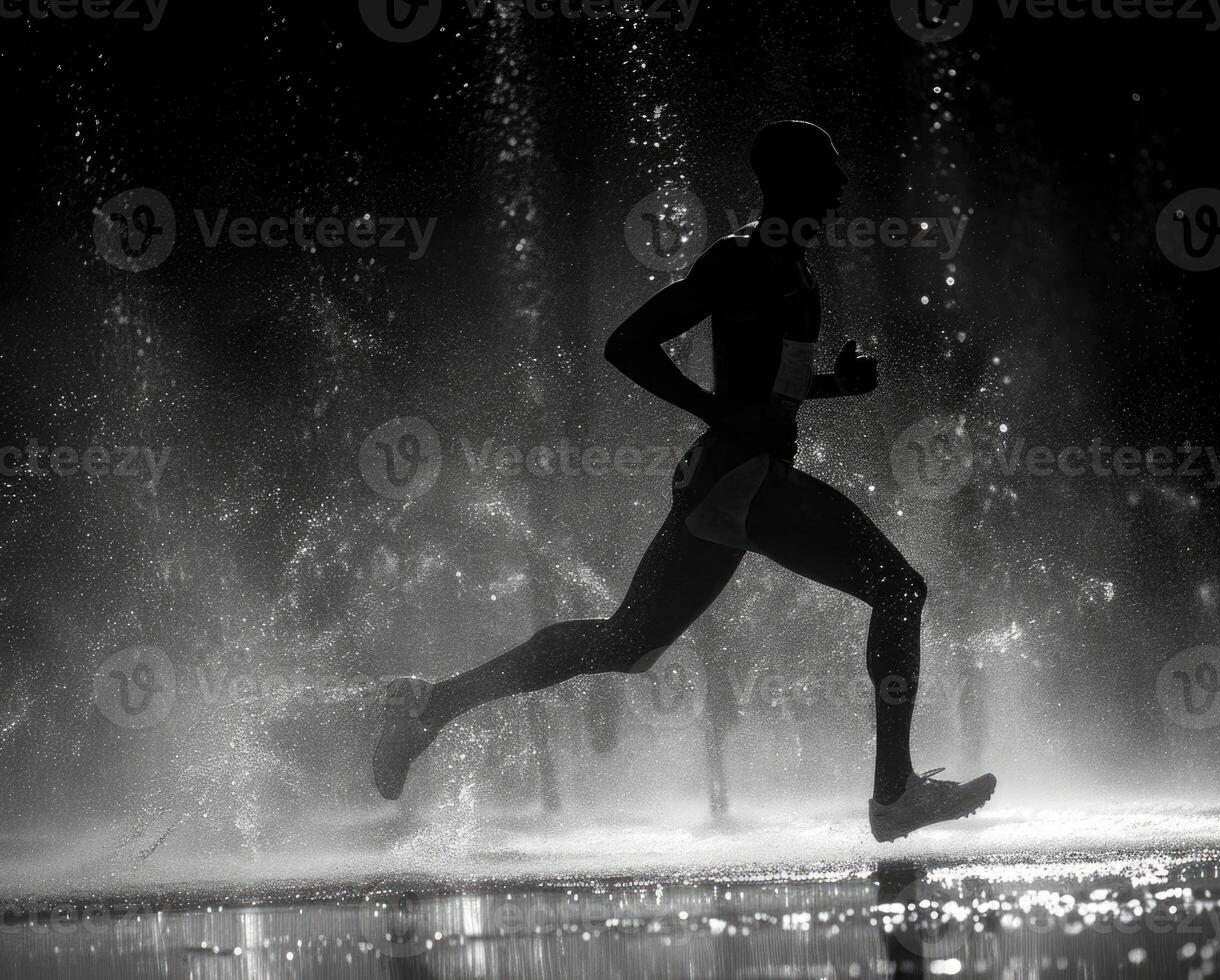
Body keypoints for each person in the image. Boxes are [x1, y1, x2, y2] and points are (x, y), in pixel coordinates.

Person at [372, 120, 996, 842]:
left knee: (626, 644)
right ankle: (895, 795)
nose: (841, 187)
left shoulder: (792, 264)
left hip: (733, 482)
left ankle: (429, 707)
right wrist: (717, 411)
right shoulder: (742, 258)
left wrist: (832, 385)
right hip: (742, 480)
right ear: (788, 180)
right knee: (899, 589)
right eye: (828, 172)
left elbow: (766, 389)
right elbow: (627, 344)